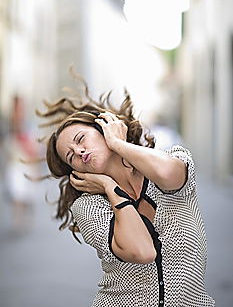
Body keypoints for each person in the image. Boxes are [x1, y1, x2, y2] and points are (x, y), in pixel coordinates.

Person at [38, 82, 215, 307]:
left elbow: (170, 174)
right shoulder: (88, 206)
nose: (78, 151)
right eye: (70, 156)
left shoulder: (173, 158)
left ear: (104, 128)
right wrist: (111, 189)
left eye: (81, 139)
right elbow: (142, 251)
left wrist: (118, 144)